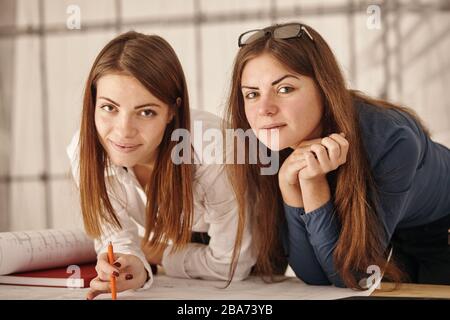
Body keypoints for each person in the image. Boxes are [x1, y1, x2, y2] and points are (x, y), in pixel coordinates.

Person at [224, 22, 450, 288]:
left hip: (440, 234)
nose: (264, 109)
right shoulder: (270, 141)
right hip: (388, 240)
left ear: (324, 87)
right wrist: (291, 187)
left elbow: (353, 276)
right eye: (252, 94)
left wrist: (312, 183)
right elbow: (313, 276)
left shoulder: (392, 140)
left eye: (284, 89)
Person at [67, 31, 256, 299]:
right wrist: (130, 265)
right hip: (190, 249)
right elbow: (117, 241)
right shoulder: (84, 150)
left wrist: (154, 252)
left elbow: (233, 265)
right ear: (93, 103)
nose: (123, 131)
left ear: (172, 111)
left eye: (146, 112)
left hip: (258, 245)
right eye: (109, 108)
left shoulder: (215, 150)